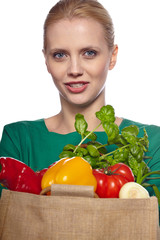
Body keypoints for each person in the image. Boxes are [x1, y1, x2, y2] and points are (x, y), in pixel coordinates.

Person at [0, 0, 160, 213]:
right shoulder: (18, 139)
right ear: (46, 60)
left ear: (112, 56)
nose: (74, 69)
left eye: (89, 53)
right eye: (60, 55)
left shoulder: (151, 142)